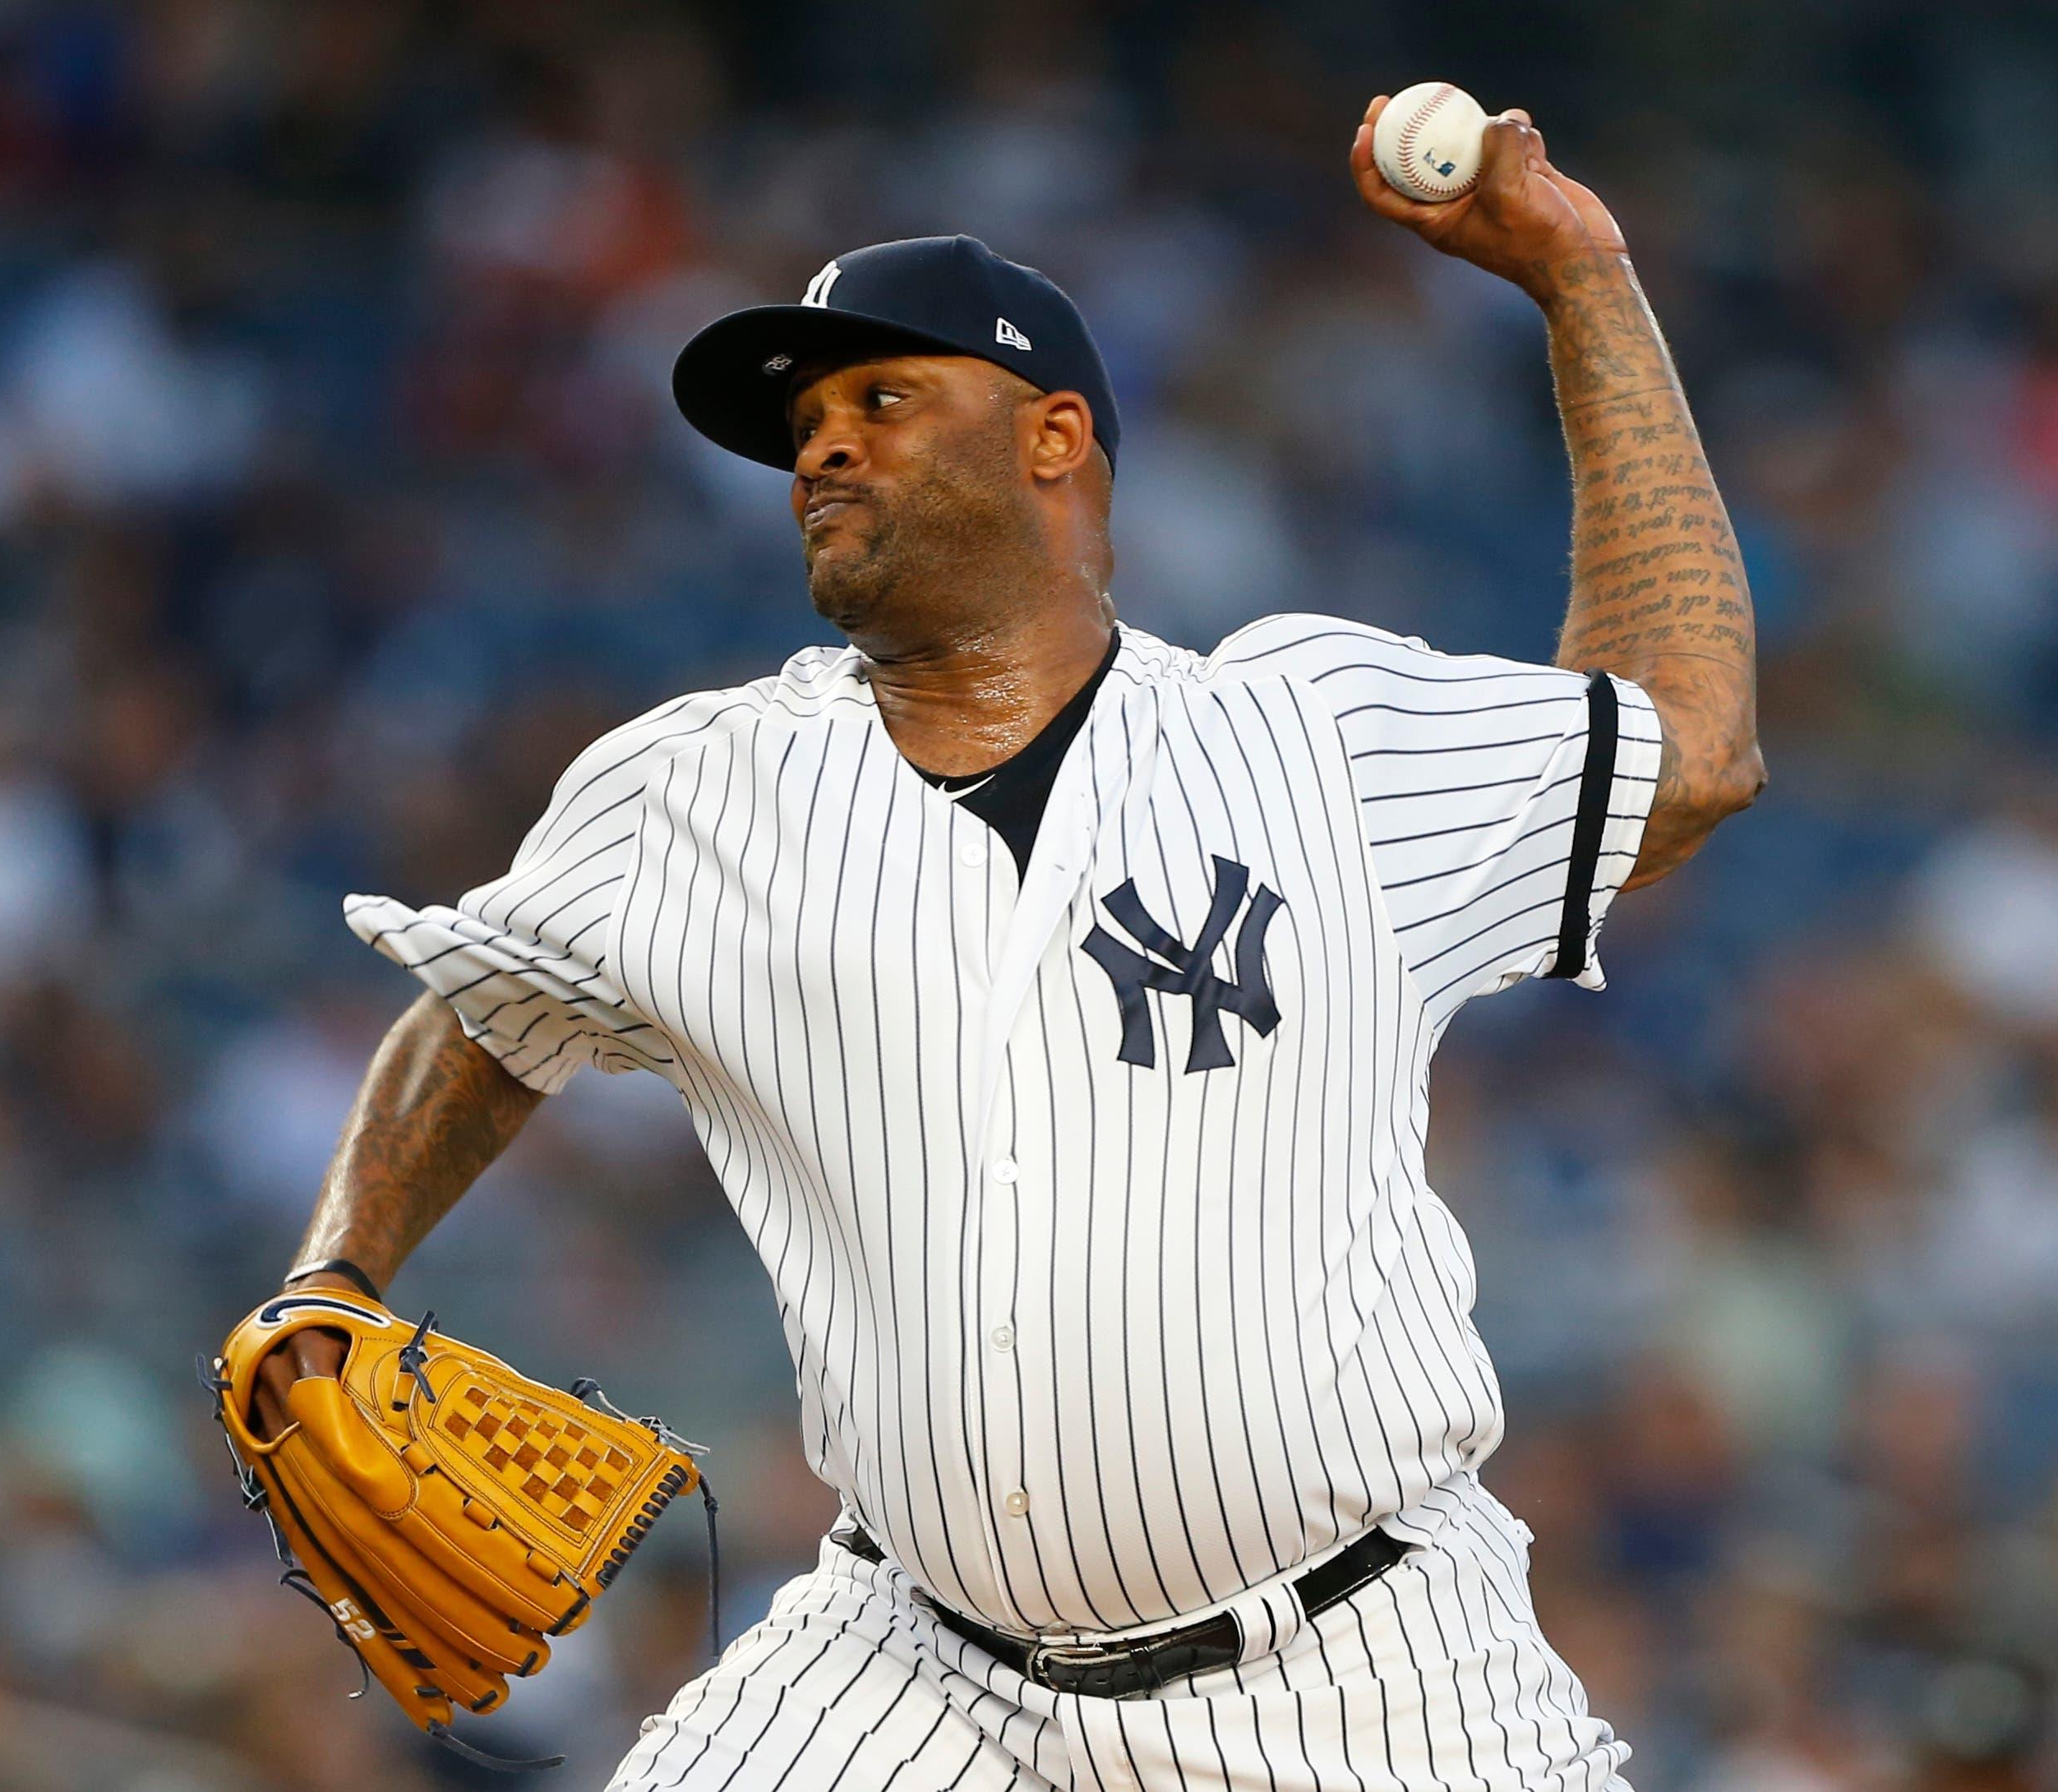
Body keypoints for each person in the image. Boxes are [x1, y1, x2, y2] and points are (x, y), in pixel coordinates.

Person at [247, 95, 1762, 1790]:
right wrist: (337, 1268)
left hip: (1361, 1669)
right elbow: (486, 1011)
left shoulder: (1314, 733)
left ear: (1053, 440)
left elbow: (1692, 747)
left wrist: (1584, 283)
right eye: (807, 422)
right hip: (913, 1668)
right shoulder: (689, 791)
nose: (822, 445)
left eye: (881, 398)